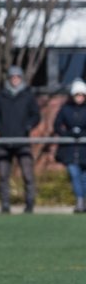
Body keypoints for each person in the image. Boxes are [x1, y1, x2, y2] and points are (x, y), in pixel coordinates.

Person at [0, 65, 40, 214]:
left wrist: (28, 126)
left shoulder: (28, 96)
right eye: (12, 77)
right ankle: (5, 205)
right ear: (9, 79)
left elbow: (36, 115)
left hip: (22, 140)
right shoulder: (1, 96)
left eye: (18, 77)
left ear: (21, 78)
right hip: (4, 142)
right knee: (3, 175)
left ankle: (30, 204)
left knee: (27, 174)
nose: (15, 80)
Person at [53, 79, 86, 213]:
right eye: (77, 95)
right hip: (70, 149)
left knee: (84, 178)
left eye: (82, 95)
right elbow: (57, 125)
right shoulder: (65, 109)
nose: (79, 97)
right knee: (74, 174)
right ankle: (79, 201)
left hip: (85, 149)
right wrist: (68, 133)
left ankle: (84, 201)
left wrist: (82, 133)